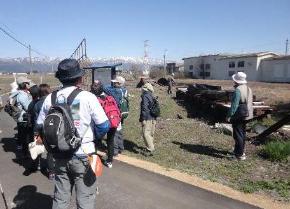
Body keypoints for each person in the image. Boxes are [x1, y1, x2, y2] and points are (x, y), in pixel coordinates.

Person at [36, 59, 110, 209]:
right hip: (84, 154)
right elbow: (104, 125)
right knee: (85, 199)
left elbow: (40, 126)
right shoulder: (88, 97)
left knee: (60, 198)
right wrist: (92, 138)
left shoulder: (50, 98)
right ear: (80, 78)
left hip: (58, 155)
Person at [91, 81, 120, 168]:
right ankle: (110, 161)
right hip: (113, 121)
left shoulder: (95, 99)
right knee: (110, 141)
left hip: (102, 122)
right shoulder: (110, 96)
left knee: (96, 140)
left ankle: (94, 159)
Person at [226, 72, 253, 161]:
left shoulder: (238, 90)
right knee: (242, 134)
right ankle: (240, 151)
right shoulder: (248, 88)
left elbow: (234, 105)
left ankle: (239, 155)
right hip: (247, 114)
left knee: (238, 135)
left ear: (236, 81)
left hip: (239, 114)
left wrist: (229, 115)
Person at [103, 76, 128, 156]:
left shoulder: (114, 91)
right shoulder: (124, 90)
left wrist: (111, 85)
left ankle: (115, 150)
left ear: (118, 83)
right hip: (122, 113)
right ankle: (120, 147)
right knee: (119, 130)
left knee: (113, 132)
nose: (113, 83)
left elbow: (105, 88)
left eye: (115, 82)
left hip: (115, 114)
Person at [33, 84, 54, 179]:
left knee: (43, 149)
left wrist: (36, 133)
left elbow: (36, 120)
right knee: (53, 151)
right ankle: (54, 170)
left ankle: (41, 167)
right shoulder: (53, 100)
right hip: (53, 128)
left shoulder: (37, 104)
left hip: (42, 129)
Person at [24, 85, 40, 175]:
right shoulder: (38, 103)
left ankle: (34, 165)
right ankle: (35, 166)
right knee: (37, 147)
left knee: (34, 147)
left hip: (31, 129)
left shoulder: (31, 103)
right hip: (36, 129)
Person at [15, 76, 32, 158]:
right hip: (24, 119)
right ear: (24, 84)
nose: (28, 84)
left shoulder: (23, 93)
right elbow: (28, 107)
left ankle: (25, 152)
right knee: (26, 137)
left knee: (24, 136)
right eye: (27, 83)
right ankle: (25, 154)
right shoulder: (22, 95)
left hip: (23, 119)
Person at [139, 83, 157, 155]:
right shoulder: (152, 96)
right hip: (153, 117)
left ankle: (150, 149)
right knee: (151, 133)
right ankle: (151, 146)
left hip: (148, 117)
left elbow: (144, 108)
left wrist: (143, 119)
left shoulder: (145, 96)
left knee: (145, 133)